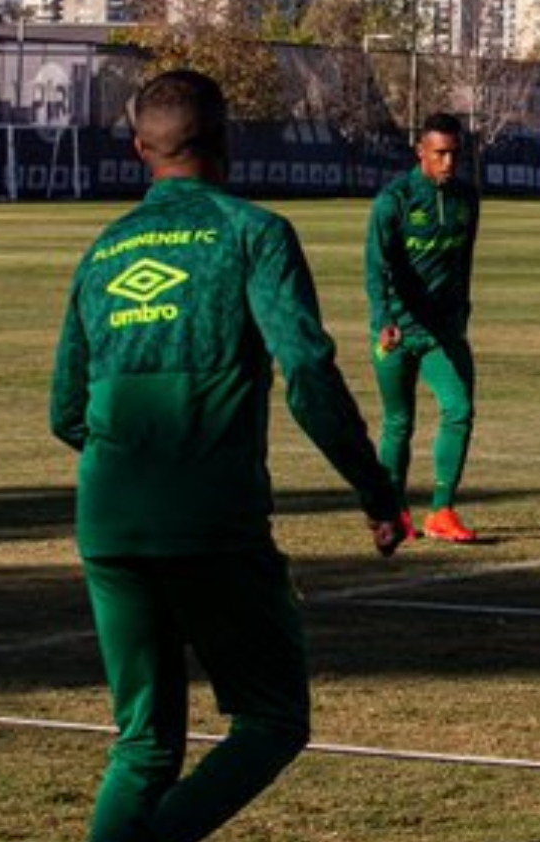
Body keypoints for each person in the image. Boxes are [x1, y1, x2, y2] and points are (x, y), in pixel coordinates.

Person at [50, 70, 404, 842]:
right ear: (227, 139)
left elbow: (65, 411)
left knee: (143, 745)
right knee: (272, 720)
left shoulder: (103, 250)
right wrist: (375, 490)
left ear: (141, 149)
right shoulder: (253, 234)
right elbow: (307, 374)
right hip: (210, 518)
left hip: (107, 518)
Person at [366, 113, 481, 543]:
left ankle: (441, 510)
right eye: (440, 154)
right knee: (399, 421)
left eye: (454, 154)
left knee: (459, 409)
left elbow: (463, 260)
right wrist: (383, 321)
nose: (449, 163)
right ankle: (393, 511)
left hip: (443, 333)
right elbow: (375, 267)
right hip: (396, 330)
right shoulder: (393, 201)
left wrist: (461, 312)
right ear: (421, 152)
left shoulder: (467, 198)